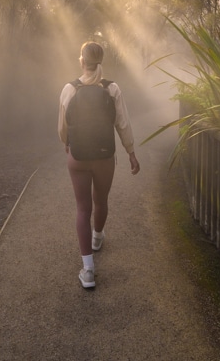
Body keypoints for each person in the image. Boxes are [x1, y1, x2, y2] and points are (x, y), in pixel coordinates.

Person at [58, 41, 140, 289]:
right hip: (105, 157)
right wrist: (131, 152)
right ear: (101, 62)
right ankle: (97, 238)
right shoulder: (112, 89)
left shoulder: (69, 89)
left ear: (82, 61)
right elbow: (123, 124)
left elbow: (62, 127)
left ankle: (88, 271)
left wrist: (67, 143)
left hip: (78, 157)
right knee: (100, 201)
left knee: (82, 209)